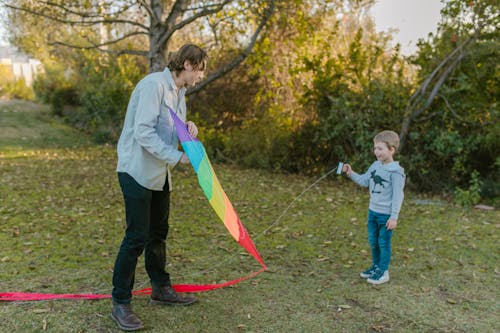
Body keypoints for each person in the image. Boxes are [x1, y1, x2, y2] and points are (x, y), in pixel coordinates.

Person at [111, 44, 208, 331]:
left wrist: (187, 127)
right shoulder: (154, 85)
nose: (201, 75)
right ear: (188, 64)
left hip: (160, 174)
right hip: (136, 170)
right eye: (201, 68)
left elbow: (167, 127)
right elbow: (143, 131)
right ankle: (120, 303)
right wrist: (177, 156)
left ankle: (160, 289)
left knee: (158, 233)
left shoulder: (180, 92)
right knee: (136, 237)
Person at [341, 130, 405, 285]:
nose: (376, 152)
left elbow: (398, 196)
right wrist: (351, 173)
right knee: (373, 241)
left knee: (383, 242)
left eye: (380, 148)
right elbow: (364, 180)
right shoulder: (375, 165)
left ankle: (383, 271)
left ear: (391, 150)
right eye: (375, 148)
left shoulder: (396, 172)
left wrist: (394, 216)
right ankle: (376, 266)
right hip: (373, 212)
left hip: (386, 216)